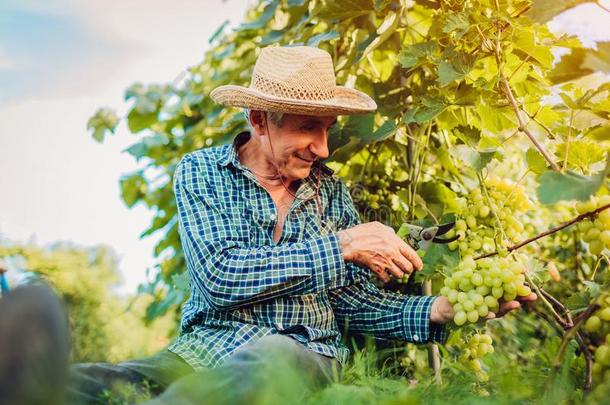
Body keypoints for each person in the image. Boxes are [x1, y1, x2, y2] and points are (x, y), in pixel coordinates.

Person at [0, 45, 536, 405]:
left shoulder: (331, 194)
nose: (323, 147)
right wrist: (342, 245)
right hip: (201, 351)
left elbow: (356, 305)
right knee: (103, 381)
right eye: (308, 128)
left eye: (326, 129)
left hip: (302, 349)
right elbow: (219, 277)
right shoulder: (200, 173)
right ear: (259, 120)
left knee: (272, 355)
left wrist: (439, 310)